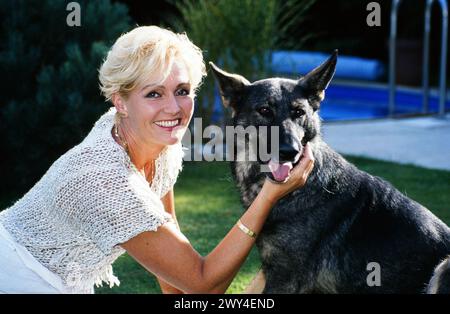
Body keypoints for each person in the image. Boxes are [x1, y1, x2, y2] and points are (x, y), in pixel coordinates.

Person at [0, 26, 314, 294]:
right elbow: (202, 284)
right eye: (153, 94)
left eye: (182, 90)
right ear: (120, 102)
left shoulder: (154, 136)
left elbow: (167, 230)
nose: (174, 109)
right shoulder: (107, 181)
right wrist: (268, 197)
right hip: (19, 276)